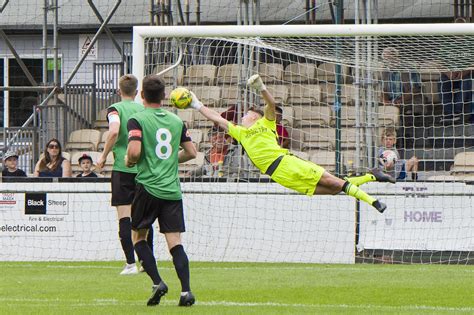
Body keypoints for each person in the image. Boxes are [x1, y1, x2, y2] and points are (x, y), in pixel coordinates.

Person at [188, 74, 395, 213]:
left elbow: (271, 104)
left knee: (335, 183)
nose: (242, 117)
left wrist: (260, 87)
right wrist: (196, 104)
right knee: (333, 189)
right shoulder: (241, 133)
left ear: (254, 117)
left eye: (246, 114)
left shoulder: (266, 124)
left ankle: (374, 202)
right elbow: (216, 118)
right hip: (278, 175)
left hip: (286, 162)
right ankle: (372, 175)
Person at [125, 75, 197, 306]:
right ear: (164, 96)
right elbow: (192, 153)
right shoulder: (176, 122)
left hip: (148, 187)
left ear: (142, 95)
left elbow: (134, 153)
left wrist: (128, 160)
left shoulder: (137, 120)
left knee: (138, 236)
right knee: (175, 241)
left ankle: (158, 282)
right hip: (172, 191)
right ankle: (186, 291)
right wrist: (168, 161)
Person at [96, 74, 152, 275]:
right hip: (143, 170)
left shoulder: (115, 109)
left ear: (119, 91)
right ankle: (147, 262)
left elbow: (113, 131)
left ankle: (130, 264)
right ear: (137, 92)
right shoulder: (144, 109)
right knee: (144, 218)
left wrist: (102, 156)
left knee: (124, 217)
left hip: (122, 168)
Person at [381, 47, 424, 116]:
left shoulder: (409, 69)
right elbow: (383, 89)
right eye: (386, 59)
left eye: (390, 58)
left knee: (409, 111)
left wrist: (400, 100)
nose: (388, 61)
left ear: (396, 57)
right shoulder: (385, 71)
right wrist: (385, 101)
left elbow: (416, 90)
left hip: (409, 101)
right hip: (392, 101)